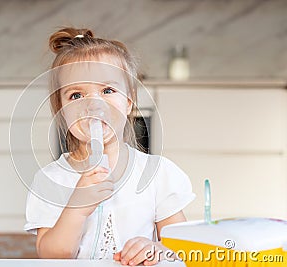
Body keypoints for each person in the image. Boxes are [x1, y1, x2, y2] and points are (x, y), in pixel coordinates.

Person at [23, 27, 195, 266]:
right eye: (76, 95)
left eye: (107, 90)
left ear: (128, 102)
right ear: (61, 111)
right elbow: (51, 256)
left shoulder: (157, 174)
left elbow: (186, 249)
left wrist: (158, 249)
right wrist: (77, 207)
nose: (93, 105)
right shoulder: (50, 180)